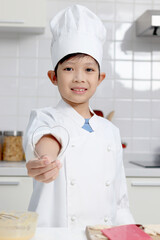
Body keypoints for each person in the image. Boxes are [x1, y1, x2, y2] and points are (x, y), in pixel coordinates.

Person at [23, 4, 135, 228]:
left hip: (102, 234)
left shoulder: (110, 131)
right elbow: (49, 139)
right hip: (56, 234)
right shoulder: (45, 117)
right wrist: (46, 163)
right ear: (53, 77)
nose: (79, 78)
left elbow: (120, 201)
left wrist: (130, 232)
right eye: (68, 69)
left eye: (89, 69)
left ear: (100, 78)